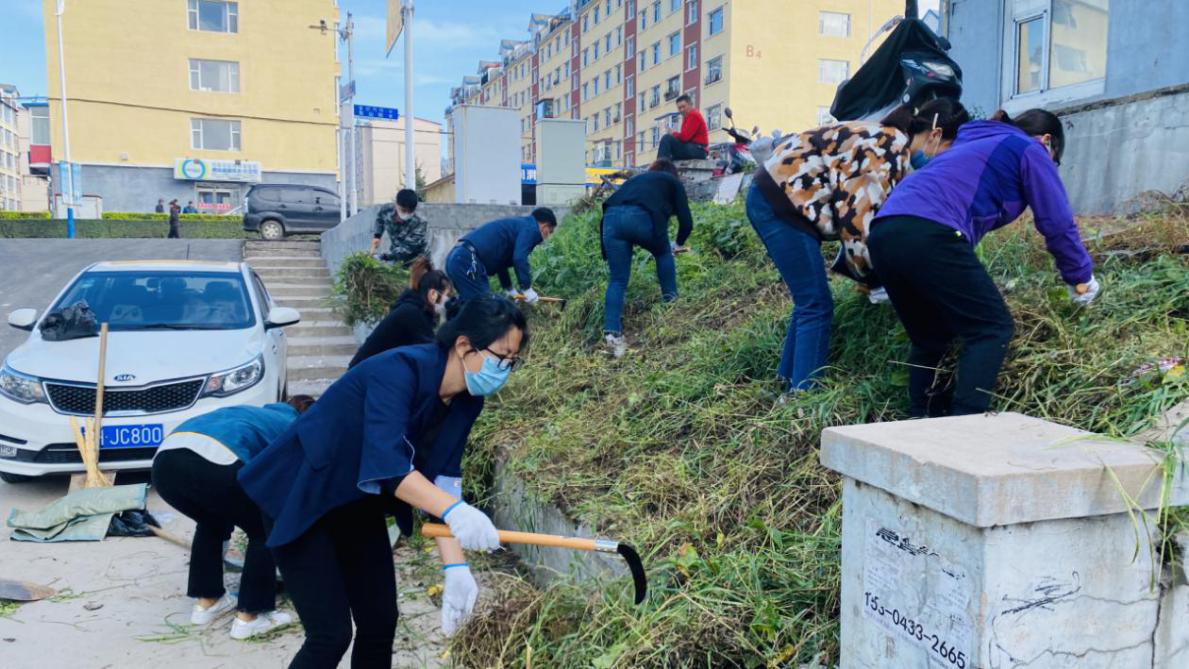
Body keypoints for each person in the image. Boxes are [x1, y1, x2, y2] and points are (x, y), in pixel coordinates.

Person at [238, 297, 527, 668]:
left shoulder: (467, 400)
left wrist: (455, 568)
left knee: (380, 622)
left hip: (357, 503)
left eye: (512, 362)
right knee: (330, 634)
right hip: (304, 494)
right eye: (501, 357)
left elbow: (445, 481)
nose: (504, 369)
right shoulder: (399, 370)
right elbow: (389, 467)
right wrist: (456, 513)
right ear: (463, 345)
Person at [868, 108, 1098, 418]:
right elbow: (1057, 222)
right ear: (1047, 141)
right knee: (991, 328)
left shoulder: (969, 144)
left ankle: (920, 420)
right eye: (1054, 160)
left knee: (930, 336)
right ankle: (966, 425)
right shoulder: (1030, 148)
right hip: (928, 232)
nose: (1050, 166)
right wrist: (1080, 277)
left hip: (885, 232)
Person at [747, 99, 970, 393]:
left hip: (777, 196)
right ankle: (802, 397)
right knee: (816, 304)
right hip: (781, 202)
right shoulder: (886, 148)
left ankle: (784, 383)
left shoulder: (888, 140)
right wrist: (874, 278)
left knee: (808, 301)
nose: (944, 160)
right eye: (948, 150)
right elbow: (858, 225)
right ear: (936, 135)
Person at [151, 395, 315, 640]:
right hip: (213, 461)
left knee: (212, 522)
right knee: (265, 527)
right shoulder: (294, 425)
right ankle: (252, 616)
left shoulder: (252, 413)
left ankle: (208, 602)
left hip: (164, 465)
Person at [599, 159, 693, 357]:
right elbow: (687, 222)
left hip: (611, 220)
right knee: (663, 253)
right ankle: (671, 307)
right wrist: (677, 243)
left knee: (617, 280)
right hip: (641, 218)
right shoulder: (672, 182)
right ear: (673, 173)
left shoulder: (638, 180)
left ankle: (611, 334)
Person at [349, 258, 454, 368]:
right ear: (433, 294)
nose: (448, 300)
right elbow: (432, 354)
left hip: (368, 371)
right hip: (363, 375)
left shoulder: (413, 307)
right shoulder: (412, 313)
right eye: (447, 295)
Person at [445, 207, 557, 302]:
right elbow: (519, 258)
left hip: (456, 257)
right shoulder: (531, 229)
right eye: (550, 231)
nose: (549, 235)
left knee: (468, 306)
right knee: (482, 307)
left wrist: (509, 289)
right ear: (544, 226)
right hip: (467, 260)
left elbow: (501, 262)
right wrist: (527, 288)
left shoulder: (518, 226)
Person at [370, 188, 427, 266]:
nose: (406, 214)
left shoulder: (420, 222)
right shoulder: (387, 210)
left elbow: (407, 249)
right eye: (403, 210)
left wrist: (382, 256)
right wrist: (377, 236)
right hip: (396, 259)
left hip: (416, 261)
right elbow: (379, 220)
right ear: (396, 204)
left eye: (410, 211)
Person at [656, 94, 708, 161]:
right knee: (670, 157)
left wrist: (673, 133)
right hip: (695, 148)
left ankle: (659, 166)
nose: (682, 110)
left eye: (683, 106)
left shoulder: (693, 115)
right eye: (679, 108)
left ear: (690, 105)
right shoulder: (687, 117)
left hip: (699, 149)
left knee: (667, 138)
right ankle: (663, 165)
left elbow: (685, 137)